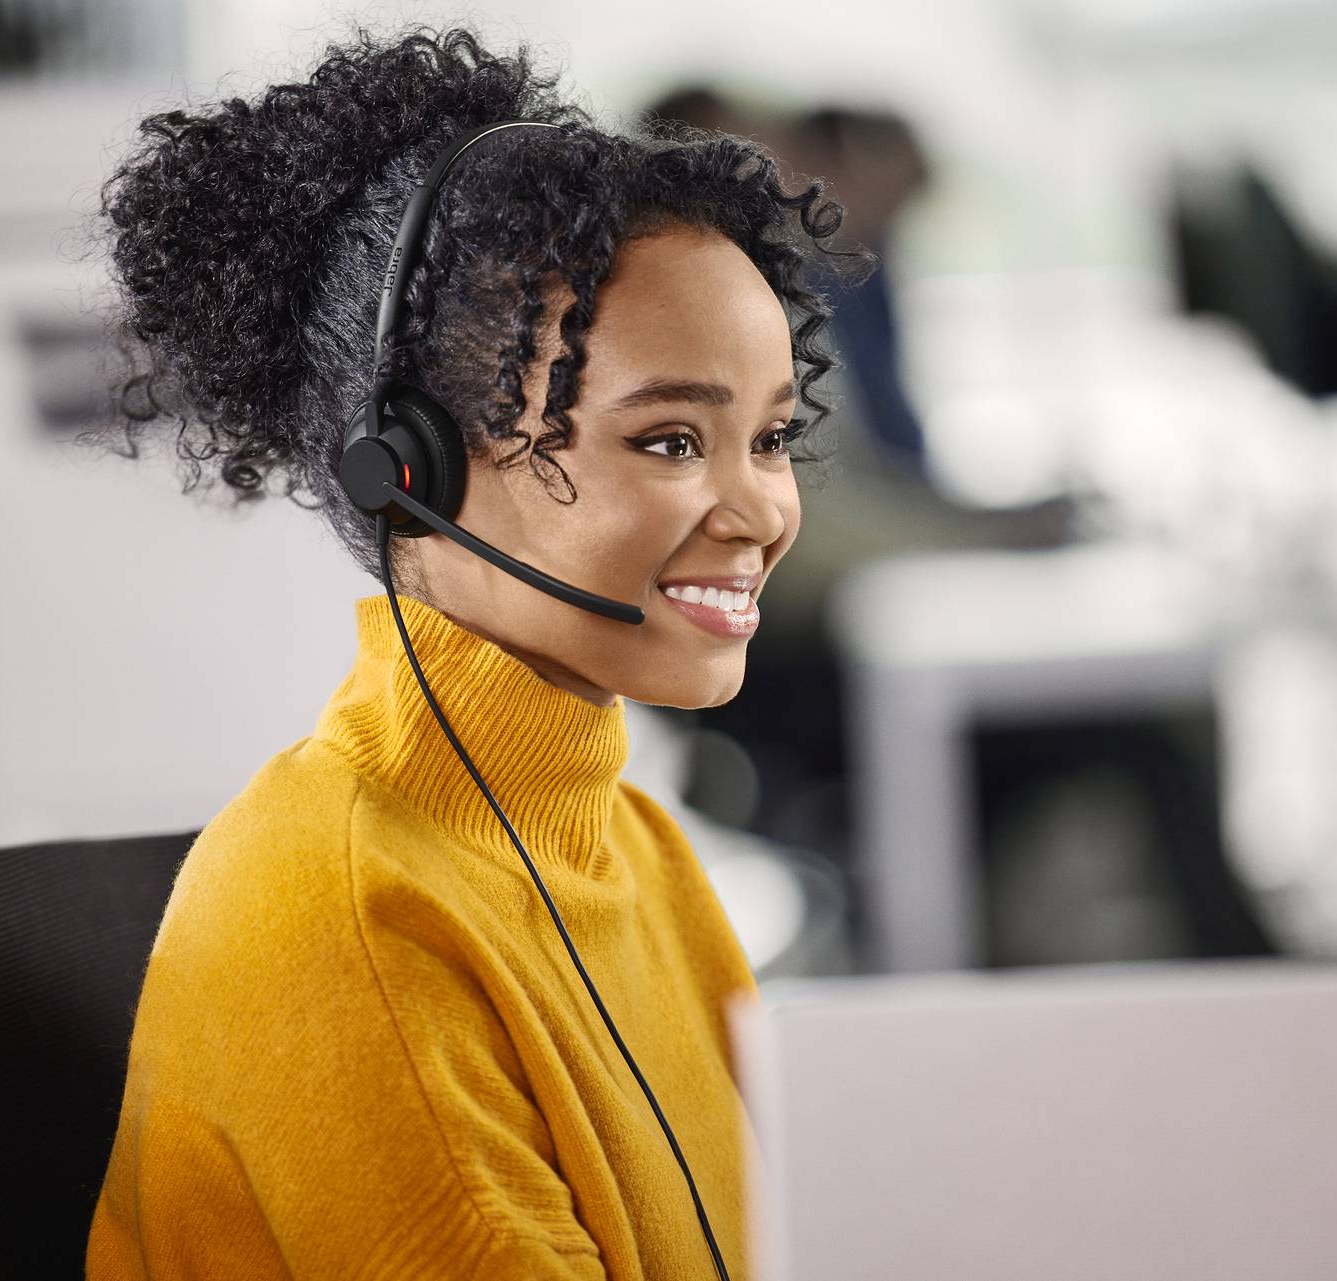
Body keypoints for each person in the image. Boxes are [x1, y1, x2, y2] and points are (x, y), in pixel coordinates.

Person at [81, 24, 868, 1280]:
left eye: (770, 440)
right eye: (670, 441)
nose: (762, 513)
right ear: (416, 470)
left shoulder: (636, 847)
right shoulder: (347, 920)